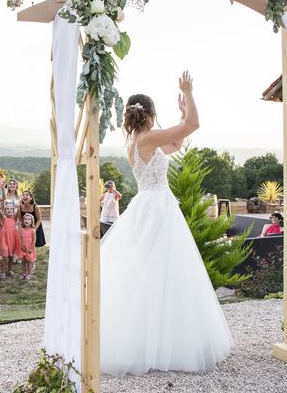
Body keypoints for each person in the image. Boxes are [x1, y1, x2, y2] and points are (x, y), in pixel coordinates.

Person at [99, 71, 232, 376]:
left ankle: (152, 338)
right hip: (157, 207)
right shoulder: (147, 138)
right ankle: (154, 343)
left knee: (153, 270)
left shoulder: (138, 141)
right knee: (160, 268)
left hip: (150, 204)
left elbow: (177, 145)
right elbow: (193, 126)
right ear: (151, 115)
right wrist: (189, 95)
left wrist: (183, 115)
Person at [0, 204, 20, 279]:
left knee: (11, 256)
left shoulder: (14, 218)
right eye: (7, 209)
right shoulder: (4, 219)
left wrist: (19, 207)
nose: (9, 210)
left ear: (13, 211)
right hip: (4, 240)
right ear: (5, 211)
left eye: (11, 209)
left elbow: (18, 213)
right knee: (4, 256)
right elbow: (0, 213)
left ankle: (10, 270)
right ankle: (3, 272)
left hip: (12, 240)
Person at [18, 213, 37, 281]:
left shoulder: (33, 230)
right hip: (23, 248)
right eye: (25, 219)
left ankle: (29, 274)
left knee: (29, 261)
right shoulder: (21, 230)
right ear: (23, 221)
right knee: (23, 261)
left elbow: (34, 240)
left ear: (31, 221)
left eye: (29, 219)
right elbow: (19, 239)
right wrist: (21, 246)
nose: (27, 220)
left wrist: (31, 248)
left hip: (29, 248)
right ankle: (24, 273)